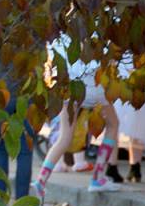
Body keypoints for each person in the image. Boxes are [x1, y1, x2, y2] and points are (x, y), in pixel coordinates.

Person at [32, 40, 120, 197]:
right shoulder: (99, 24)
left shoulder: (65, 26)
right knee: (113, 124)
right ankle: (98, 177)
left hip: (68, 82)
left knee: (64, 136)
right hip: (94, 83)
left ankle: (41, 180)